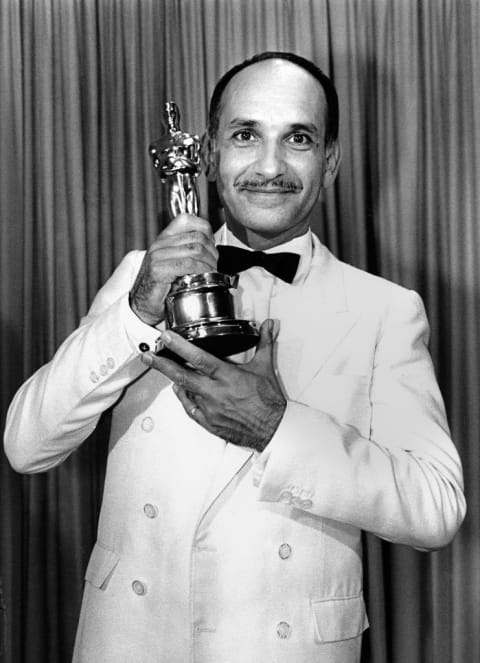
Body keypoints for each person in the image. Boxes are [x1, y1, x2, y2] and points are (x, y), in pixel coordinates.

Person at [4, 51, 466, 663]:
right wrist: (135, 315)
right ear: (211, 155)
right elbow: (26, 447)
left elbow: (436, 509)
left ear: (330, 162)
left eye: (297, 138)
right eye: (246, 135)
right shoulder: (136, 281)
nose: (270, 166)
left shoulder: (386, 310)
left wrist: (277, 429)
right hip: (131, 640)